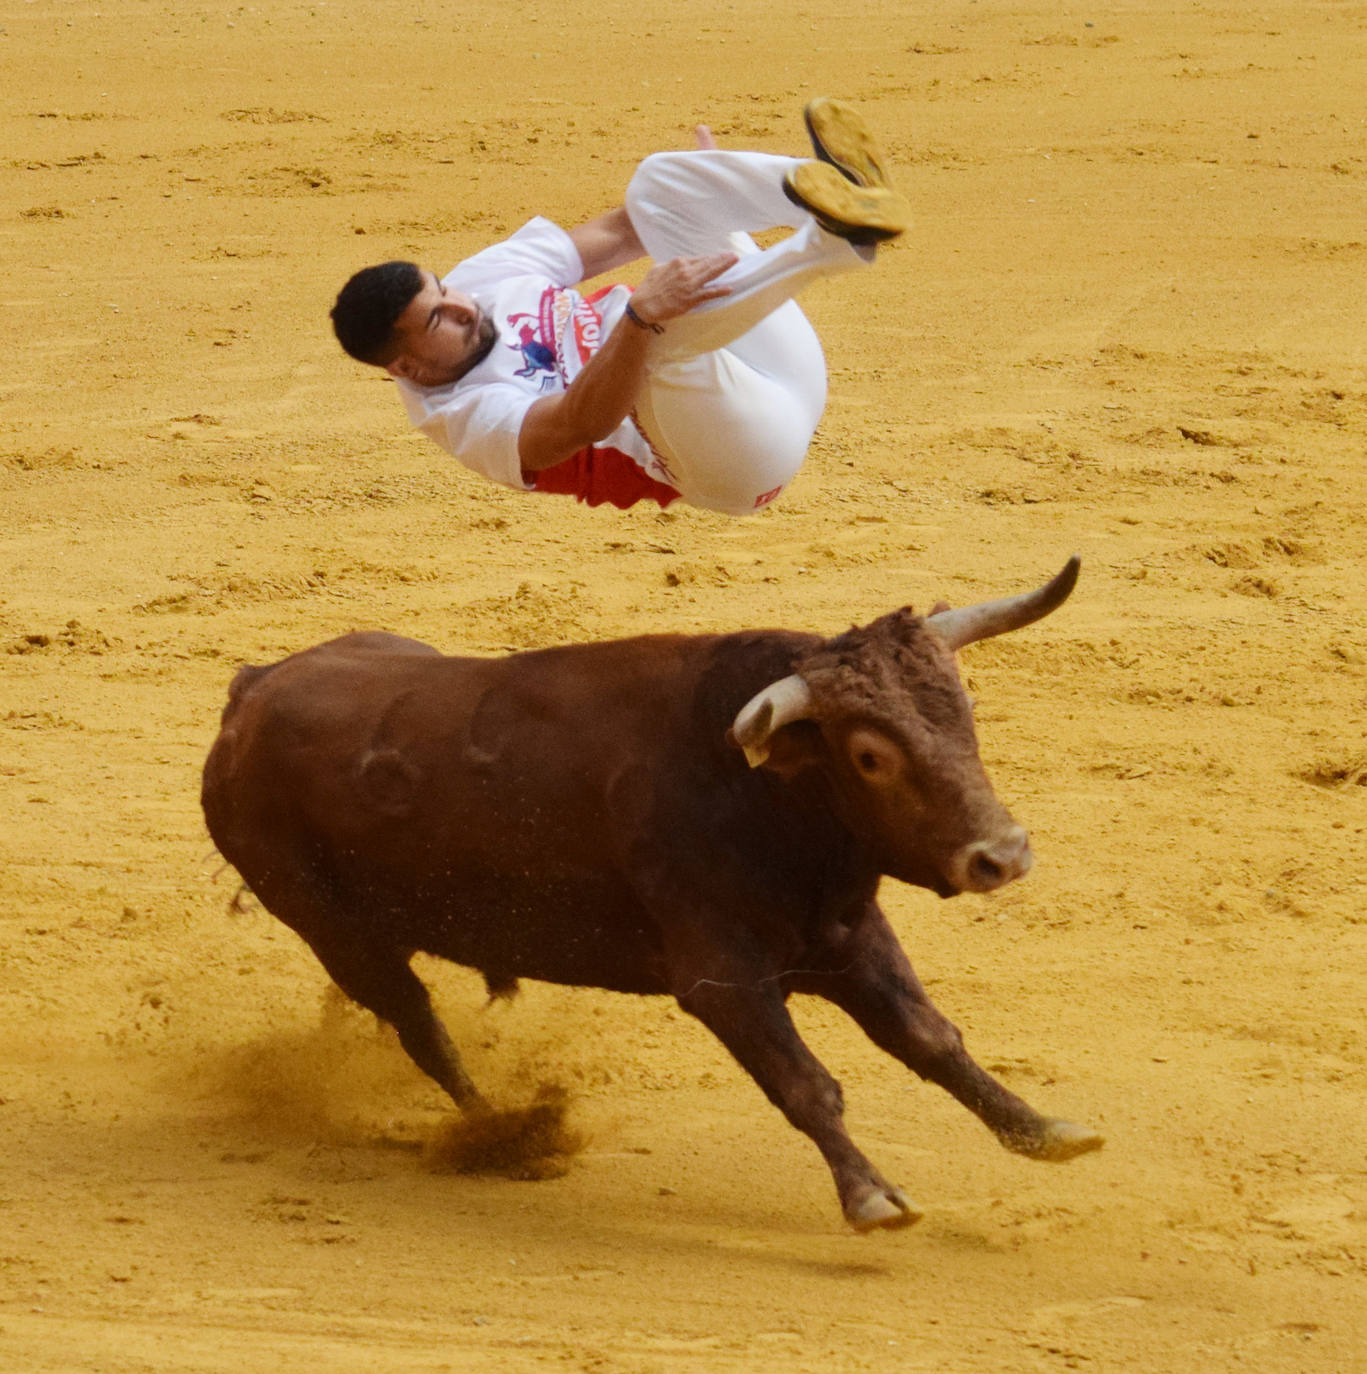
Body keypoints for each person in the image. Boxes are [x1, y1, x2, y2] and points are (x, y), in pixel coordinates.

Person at [330, 99, 911, 515]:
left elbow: (626, 227)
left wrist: (712, 189)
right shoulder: (463, 418)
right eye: (438, 318)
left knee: (655, 185)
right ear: (404, 366)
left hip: (768, 367)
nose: (462, 304)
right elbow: (584, 422)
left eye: (443, 289)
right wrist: (638, 321)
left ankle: (840, 196)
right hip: (735, 460)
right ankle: (833, 243)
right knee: (649, 336)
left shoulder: (480, 280)